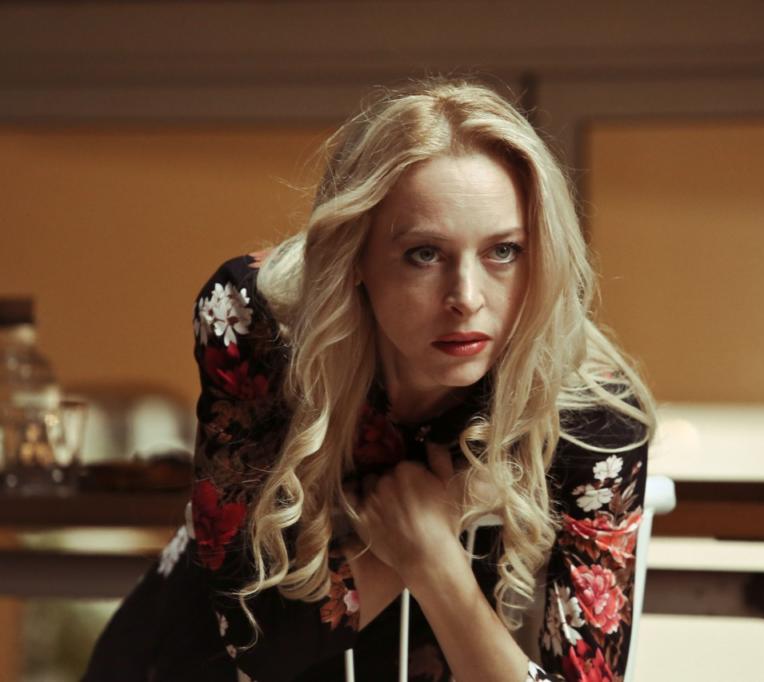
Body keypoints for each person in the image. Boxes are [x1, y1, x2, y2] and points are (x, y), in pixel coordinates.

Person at [85, 78, 656, 682]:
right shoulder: (256, 321)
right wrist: (413, 538)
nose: (466, 298)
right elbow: (254, 644)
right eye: (424, 254)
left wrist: (433, 558)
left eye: (503, 252)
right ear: (355, 256)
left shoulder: (588, 410)